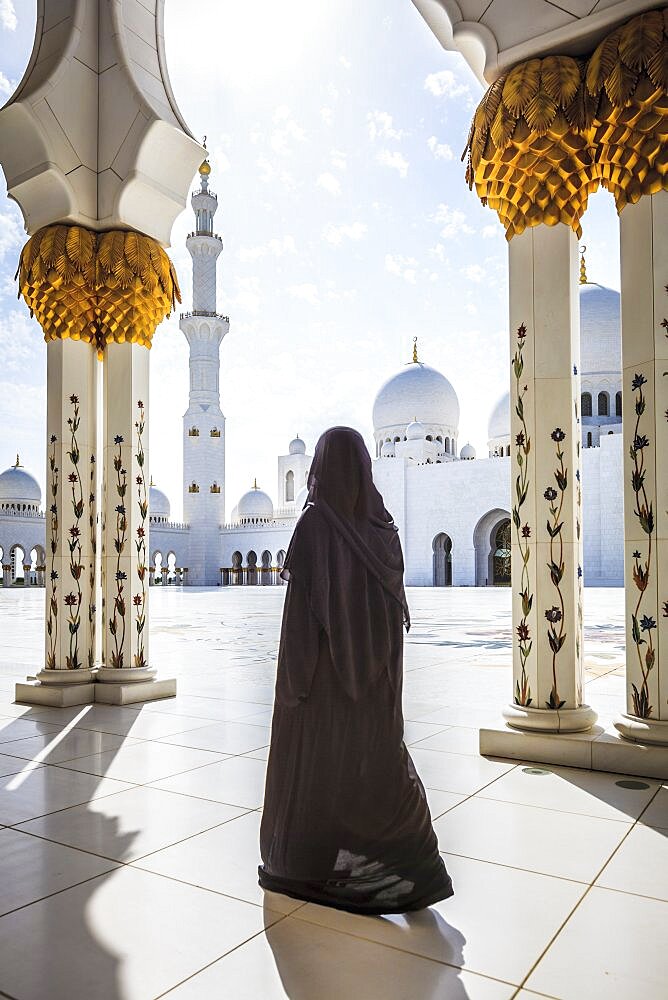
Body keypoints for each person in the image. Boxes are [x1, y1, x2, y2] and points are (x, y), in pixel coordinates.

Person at [258, 426, 453, 914]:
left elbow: (300, 622)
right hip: (375, 685)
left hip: (323, 687)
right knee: (377, 770)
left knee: (324, 772)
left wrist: (293, 689)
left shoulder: (315, 526)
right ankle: (413, 869)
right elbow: (391, 617)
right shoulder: (383, 530)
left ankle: (313, 863)